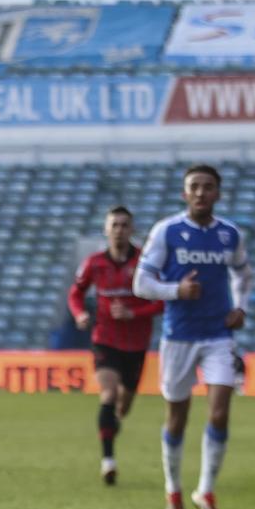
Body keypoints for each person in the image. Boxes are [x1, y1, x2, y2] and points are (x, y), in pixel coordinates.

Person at [134, 164, 251, 509]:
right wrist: (176, 291)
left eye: (208, 186)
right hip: (178, 337)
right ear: (185, 194)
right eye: (194, 186)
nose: (201, 192)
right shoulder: (167, 231)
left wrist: (240, 307)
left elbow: (243, 273)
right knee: (177, 417)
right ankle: (173, 490)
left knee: (219, 413)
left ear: (218, 193)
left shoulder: (230, 234)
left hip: (218, 336)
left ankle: (206, 491)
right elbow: (141, 283)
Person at [68, 206, 162, 485]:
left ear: (132, 230)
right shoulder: (94, 263)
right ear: (106, 230)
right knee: (108, 394)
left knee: (123, 407)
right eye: (114, 225)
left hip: (136, 343)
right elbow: (75, 293)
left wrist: (134, 313)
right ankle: (108, 461)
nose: (119, 230)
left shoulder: (146, 262)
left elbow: (162, 301)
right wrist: (80, 314)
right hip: (105, 339)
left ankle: (112, 423)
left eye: (124, 225)